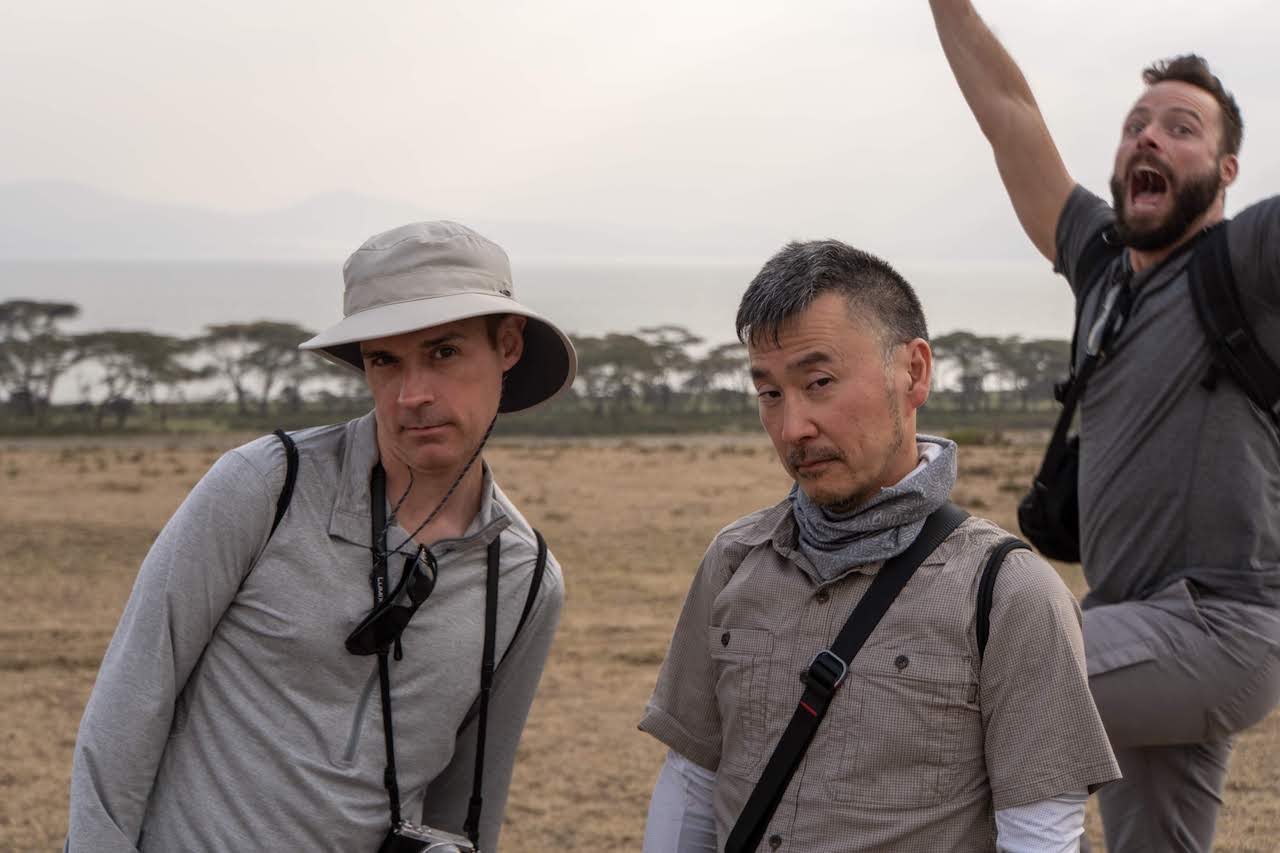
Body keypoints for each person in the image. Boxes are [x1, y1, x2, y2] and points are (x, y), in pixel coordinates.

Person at [65, 221, 577, 852]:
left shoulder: (524, 579)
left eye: (444, 352)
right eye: (384, 360)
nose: (412, 394)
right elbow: (130, 703)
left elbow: (469, 802)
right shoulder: (263, 487)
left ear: (507, 345)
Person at [928, 3, 1280, 850]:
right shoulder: (1101, 265)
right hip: (1124, 623)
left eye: (1181, 127)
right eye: (1135, 126)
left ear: (1226, 170)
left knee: (981, 671)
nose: (1148, 139)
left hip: (1217, 627)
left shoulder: (1250, 260)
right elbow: (1008, 113)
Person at [639, 240, 1120, 852]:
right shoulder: (734, 561)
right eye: (770, 393)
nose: (793, 429)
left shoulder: (1008, 594)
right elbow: (693, 784)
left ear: (914, 372)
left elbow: (1040, 838)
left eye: (819, 382)